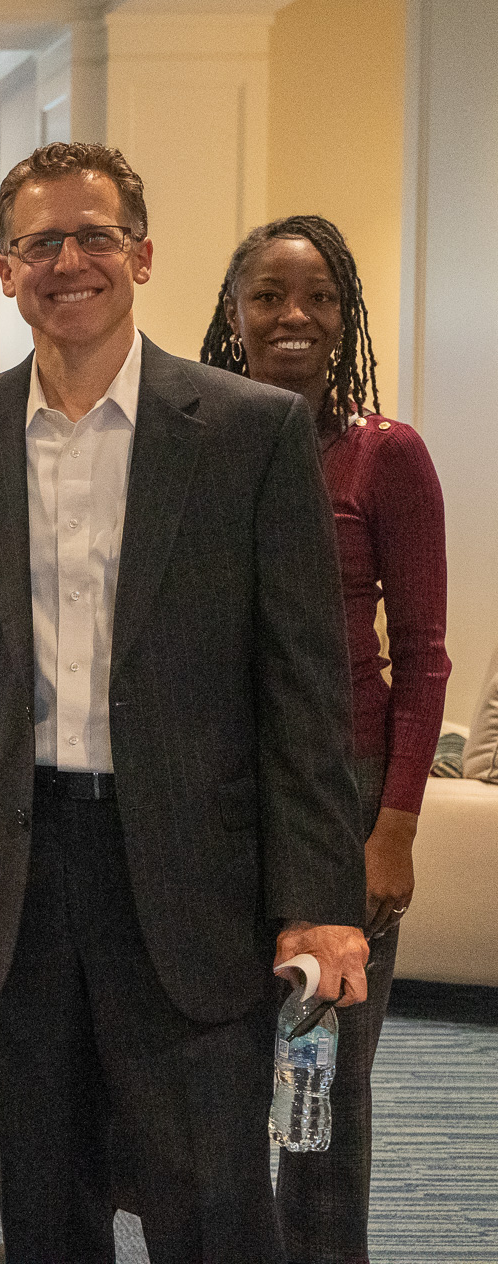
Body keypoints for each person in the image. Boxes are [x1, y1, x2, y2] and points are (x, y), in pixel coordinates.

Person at [0, 142, 369, 1264]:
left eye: (94, 236)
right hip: (14, 870)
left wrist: (318, 899)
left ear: (140, 255)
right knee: (44, 1195)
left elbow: (304, 691)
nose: (68, 262)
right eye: (40, 242)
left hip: (194, 874)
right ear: (5, 270)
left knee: (209, 1199)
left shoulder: (248, 433)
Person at [201, 214, 450, 1262]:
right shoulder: (196, 446)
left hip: (344, 794)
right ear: (232, 312)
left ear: (345, 317)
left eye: (317, 297)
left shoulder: (384, 456)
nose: (291, 316)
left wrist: (392, 830)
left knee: (324, 1077)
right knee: (214, 1062)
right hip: (219, 788)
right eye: (266, 295)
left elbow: (424, 655)